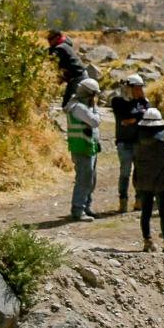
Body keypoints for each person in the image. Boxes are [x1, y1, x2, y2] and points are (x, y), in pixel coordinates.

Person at [131, 107, 164, 252]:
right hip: (162, 181)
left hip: (143, 180)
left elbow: (135, 158)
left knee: (146, 212)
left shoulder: (137, 139)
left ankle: (147, 241)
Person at [111, 74, 148, 213]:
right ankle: (123, 201)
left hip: (139, 142)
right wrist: (136, 117)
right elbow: (125, 117)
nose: (140, 91)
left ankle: (139, 200)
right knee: (125, 172)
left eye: (140, 88)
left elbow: (146, 115)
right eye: (137, 88)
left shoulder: (143, 101)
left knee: (139, 172)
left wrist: (135, 118)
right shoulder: (117, 101)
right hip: (124, 142)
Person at [66, 77, 101, 221]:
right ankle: (78, 210)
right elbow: (95, 121)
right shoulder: (79, 107)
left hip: (87, 147)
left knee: (90, 179)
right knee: (83, 180)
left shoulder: (79, 105)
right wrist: (96, 109)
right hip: (82, 147)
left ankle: (86, 206)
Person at [47, 30, 86, 109]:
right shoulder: (62, 46)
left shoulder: (61, 48)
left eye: (50, 39)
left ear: (57, 37)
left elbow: (52, 58)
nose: (49, 41)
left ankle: (82, 119)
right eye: (48, 39)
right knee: (68, 104)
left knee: (68, 105)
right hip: (77, 77)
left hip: (78, 77)